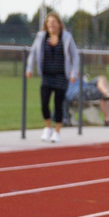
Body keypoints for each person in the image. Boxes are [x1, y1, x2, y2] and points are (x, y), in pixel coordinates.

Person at [26, 12, 79, 143]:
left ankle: (57, 132)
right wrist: (29, 68)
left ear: (59, 24)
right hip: (47, 75)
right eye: (49, 22)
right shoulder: (41, 37)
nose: (51, 24)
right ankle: (48, 127)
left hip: (61, 76)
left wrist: (73, 73)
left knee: (58, 104)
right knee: (44, 103)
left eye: (53, 22)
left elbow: (75, 56)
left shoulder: (66, 37)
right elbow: (33, 53)